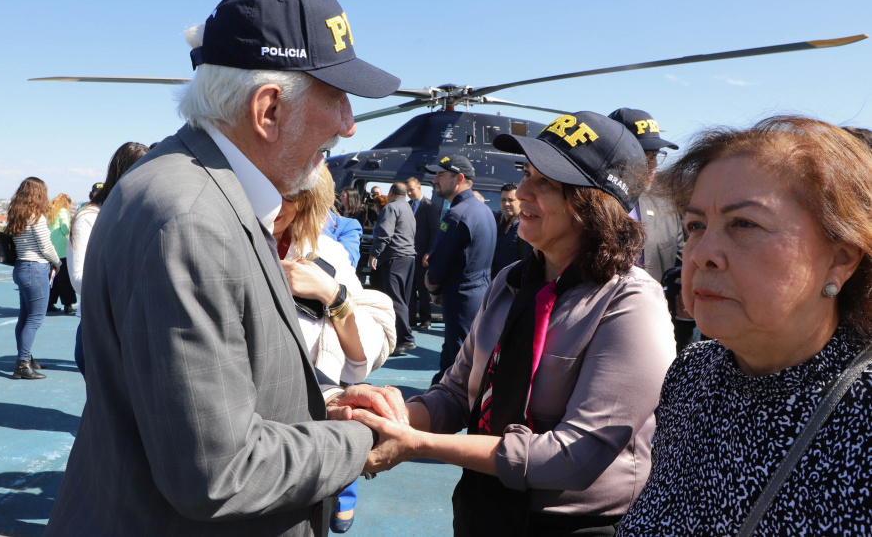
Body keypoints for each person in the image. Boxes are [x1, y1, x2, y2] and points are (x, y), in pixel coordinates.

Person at [44, 0, 406, 535]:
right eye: (336, 97)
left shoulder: (188, 187)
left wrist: (318, 413)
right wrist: (360, 440)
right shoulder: (193, 219)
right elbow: (218, 473)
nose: (349, 124)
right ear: (268, 109)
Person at [353, 112, 676, 535]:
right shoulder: (512, 281)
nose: (521, 191)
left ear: (592, 204)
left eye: (545, 183)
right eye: (526, 174)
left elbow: (573, 457)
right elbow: (455, 395)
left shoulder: (631, 302)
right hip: (483, 510)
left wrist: (418, 445)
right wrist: (390, 414)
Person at [618, 116, 872, 535]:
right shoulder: (693, 373)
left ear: (841, 257)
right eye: (696, 225)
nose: (700, 255)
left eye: (744, 224)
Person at [274, 165, 396, 533]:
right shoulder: (225, 240)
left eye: (290, 195)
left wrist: (332, 295)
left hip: (311, 431)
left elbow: (361, 357)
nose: (277, 205)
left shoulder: (322, 251)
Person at [608, 107, 693, 351]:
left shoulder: (666, 206)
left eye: (654, 155)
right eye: (642, 156)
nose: (652, 165)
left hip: (658, 336)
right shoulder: (584, 207)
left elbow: (681, 265)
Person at [67, 142, 149, 377]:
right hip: (101, 328)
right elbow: (79, 280)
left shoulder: (139, 211)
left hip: (135, 326)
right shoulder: (89, 218)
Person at [424, 155, 496, 385]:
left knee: (458, 364)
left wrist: (433, 285)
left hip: (460, 298)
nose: (435, 180)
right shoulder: (483, 211)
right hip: (478, 295)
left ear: (459, 178)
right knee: (458, 356)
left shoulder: (456, 215)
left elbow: (438, 265)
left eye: (441, 175)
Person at [6, 177, 62, 380]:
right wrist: (58, 263)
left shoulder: (17, 215)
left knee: (24, 317)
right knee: (35, 318)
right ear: (39, 194)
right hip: (35, 269)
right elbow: (45, 247)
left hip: (21, 267)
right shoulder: (36, 217)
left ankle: (26, 358)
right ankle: (22, 364)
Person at [369, 181, 417, 356]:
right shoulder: (408, 208)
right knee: (403, 298)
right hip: (409, 258)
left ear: (390, 193)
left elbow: (384, 233)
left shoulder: (390, 208)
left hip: (394, 258)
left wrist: (374, 253)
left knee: (395, 299)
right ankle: (403, 337)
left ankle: (406, 339)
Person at [406, 176, 440, 330]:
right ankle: (411, 319)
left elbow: (435, 232)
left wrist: (429, 253)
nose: (409, 193)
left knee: (423, 288)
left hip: (422, 256)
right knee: (410, 288)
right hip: (408, 254)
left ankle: (426, 319)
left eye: (412, 189)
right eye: (407, 190)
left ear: (419, 188)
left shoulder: (429, 206)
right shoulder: (407, 206)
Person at [45, 193, 77, 314]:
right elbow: (64, 228)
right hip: (61, 249)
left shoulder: (49, 212)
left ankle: (49, 303)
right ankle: (68, 304)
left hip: (49, 248)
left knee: (52, 278)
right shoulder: (63, 211)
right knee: (65, 278)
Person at [491, 182, 528, 279]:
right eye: (503, 200)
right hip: (494, 282)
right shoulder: (495, 222)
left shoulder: (525, 227)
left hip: (512, 284)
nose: (506, 204)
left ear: (520, 201)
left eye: (511, 200)